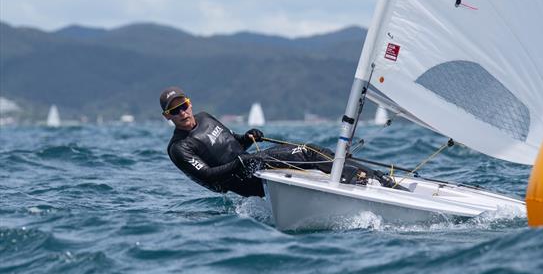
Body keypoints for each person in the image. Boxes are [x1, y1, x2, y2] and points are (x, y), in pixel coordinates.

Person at [161, 86, 398, 197]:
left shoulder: (204, 117)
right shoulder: (179, 148)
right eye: (175, 111)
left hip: (254, 163)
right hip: (245, 180)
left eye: (184, 105)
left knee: (309, 150)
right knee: (306, 154)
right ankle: (368, 180)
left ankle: (369, 177)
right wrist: (240, 164)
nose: (182, 112)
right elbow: (210, 177)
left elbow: (233, 143)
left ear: (190, 103)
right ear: (168, 117)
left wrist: (248, 137)